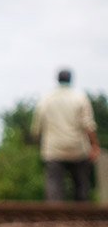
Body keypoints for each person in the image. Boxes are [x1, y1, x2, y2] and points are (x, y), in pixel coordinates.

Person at [32, 68, 100, 201]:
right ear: (71, 79)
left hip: (53, 149)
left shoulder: (46, 99)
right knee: (81, 187)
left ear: (57, 80)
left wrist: (37, 143)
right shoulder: (80, 98)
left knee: (54, 187)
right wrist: (94, 145)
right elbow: (88, 124)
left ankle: (53, 218)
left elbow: (37, 128)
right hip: (78, 148)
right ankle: (82, 218)